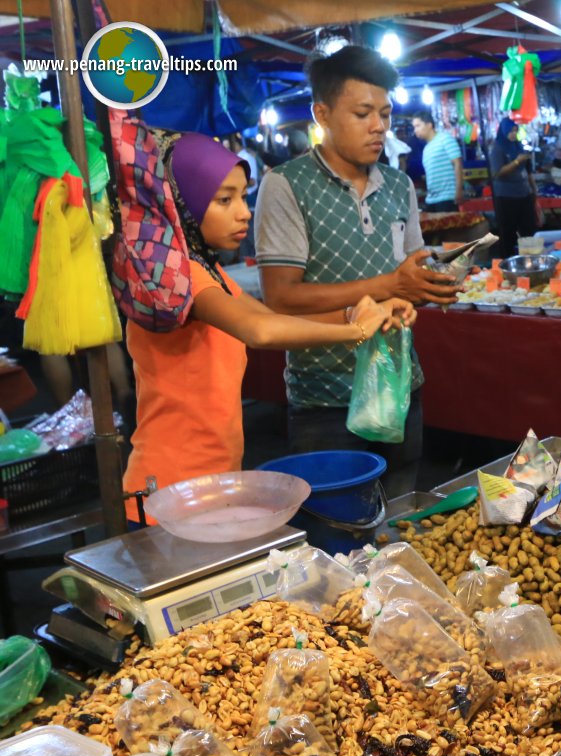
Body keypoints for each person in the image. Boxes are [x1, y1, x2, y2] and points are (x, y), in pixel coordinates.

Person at [123, 132, 415, 521]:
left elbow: (269, 319)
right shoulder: (178, 281)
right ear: (182, 204)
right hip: (171, 490)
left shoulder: (208, 274)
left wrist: (360, 313)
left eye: (244, 196)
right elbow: (259, 333)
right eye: (224, 200)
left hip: (209, 480)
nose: (244, 212)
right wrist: (354, 332)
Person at [255, 46, 460, 499]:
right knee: (336, 530)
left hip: (399, 383)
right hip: (326, 396)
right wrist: (390, 285)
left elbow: (409, 276)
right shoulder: (286, 185)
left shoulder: (400, 184)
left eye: (385, 113)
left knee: (401, 513)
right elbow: (281, 298)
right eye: (363, 112)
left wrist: (429, 286)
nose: (379, 126)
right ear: (322, 113)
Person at [488, 117, 538, 259]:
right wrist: (517, 161)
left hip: (524, 194)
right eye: (511, 131)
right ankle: (508, 261)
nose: (513, 134)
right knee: (508, 232)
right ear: (504, 131)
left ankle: (530, 260)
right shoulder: (498, 147)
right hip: (506, 197)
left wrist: (534, 191)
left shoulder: (518, 146)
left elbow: (528, 172)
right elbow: (497, 173)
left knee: (528, 230)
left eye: (516, 131)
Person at [411, 110, 463, 212]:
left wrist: (459, 191)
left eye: (418, 126)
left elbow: (458, 164)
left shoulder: (445, 139)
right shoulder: (426, 149)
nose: (415, 130)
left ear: (429, 125)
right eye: (414, 127)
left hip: (448, 198)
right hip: (431, 200)